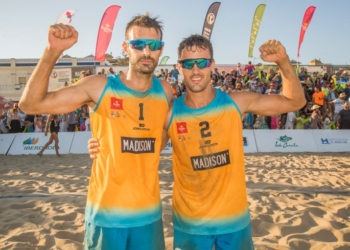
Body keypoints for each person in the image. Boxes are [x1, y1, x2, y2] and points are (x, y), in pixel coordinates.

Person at [89, 35, 305, 249]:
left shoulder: (237, 102)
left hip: (235, 222)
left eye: (202, 62)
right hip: (190, 225)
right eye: (188, 63)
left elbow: (295, 101)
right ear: (179, 67)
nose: (195, 70)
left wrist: (283, 61)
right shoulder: (170, 113)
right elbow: (144, 143)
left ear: (212, 65)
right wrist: (101, 143)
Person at [19, 14, 173, 250]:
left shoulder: (165, 91)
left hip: (149, 216)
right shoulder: (99, 86)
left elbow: (160, 139)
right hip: (106, 215)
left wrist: (115, 141)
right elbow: (30, 105)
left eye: (153, 45)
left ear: (161, 50)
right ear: (125, 48)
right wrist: (52, 51)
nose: (146, 52)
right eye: (138, 44)